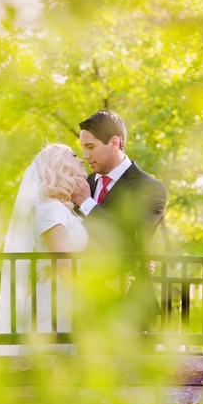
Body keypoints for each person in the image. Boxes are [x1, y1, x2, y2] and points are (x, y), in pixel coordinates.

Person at [71, 111, 167, 324]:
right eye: (83, 148)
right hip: (83, 307)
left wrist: (87, 203)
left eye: (90, 147)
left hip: (130, 309)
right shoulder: (84, 184)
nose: (85, 156)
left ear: (114, 143)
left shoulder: (150, 188)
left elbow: (129, 237)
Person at [0, 144, 89, 355]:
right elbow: (64, 265)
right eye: (73, 155)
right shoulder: (50, 210)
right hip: (55, 309)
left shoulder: (67, 211)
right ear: (59, 165)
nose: (82, 159)